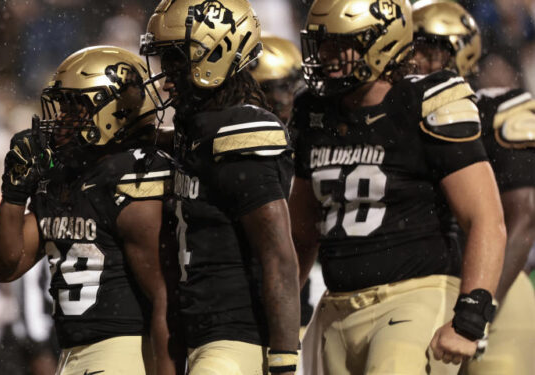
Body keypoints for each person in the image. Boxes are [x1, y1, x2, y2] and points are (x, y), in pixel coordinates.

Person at [289, 0, 506, 373]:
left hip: (412, 298)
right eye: (323, 44)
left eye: (343, 44)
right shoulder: (315, 110)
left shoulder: (425, 100)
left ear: (383, 43)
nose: (328, 56)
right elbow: (301, 231)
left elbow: (486, 219)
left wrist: (471, 316)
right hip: (336, 305)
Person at [0, 46, 180, 375]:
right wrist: (14, 192)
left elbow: (165, 300)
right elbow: (3, 266)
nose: (60, 120)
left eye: (73, 109)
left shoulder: (135, 176)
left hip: (125, 354)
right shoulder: (65, 179)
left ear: (111, 111)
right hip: (72, 355)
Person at [140, 1, 301, 374]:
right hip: (203, 335)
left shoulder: (239, 133)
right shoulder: (197, 128)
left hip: (235, 340)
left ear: (214, 55)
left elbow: (277, 255)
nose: (165, 80)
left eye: (176, 63)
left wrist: (282, 359)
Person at [412, 1, 535, 373]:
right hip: (418, 290)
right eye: (413, 50)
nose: (421, 62)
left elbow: (524, 218)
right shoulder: (393, 118)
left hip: (494, 289)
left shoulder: (498, 110)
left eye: (432, 51)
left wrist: (482, 304)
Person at [248, 33, 321, 332]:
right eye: (259, 94)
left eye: (278, 90)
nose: (273, 104)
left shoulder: (313, 143)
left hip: (303, 287)